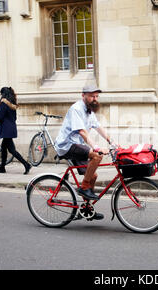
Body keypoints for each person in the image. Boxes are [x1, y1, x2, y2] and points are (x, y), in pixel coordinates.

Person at [54, 84, 115, 220]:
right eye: (92, 96)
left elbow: (98, 127)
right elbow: (82, 132)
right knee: (96, 156)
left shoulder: (90, 110)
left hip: (78, 145)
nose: (95, 98)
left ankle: (87, 209)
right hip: (67, 145)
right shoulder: (76, 109)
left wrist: (112, 142)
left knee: (92, 176)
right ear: (83, 96)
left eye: (96, 96)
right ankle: (84, 187)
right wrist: (96, 147)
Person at [0, 87, 31, 175]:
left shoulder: (3, 103)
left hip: (6, 130)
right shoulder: (12, 104)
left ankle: (26, 164)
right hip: (11, 128)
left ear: (3, 94)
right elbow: (14, 118)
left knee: (11, 150)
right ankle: (2, 167)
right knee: (4, 148)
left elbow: (0, 117)